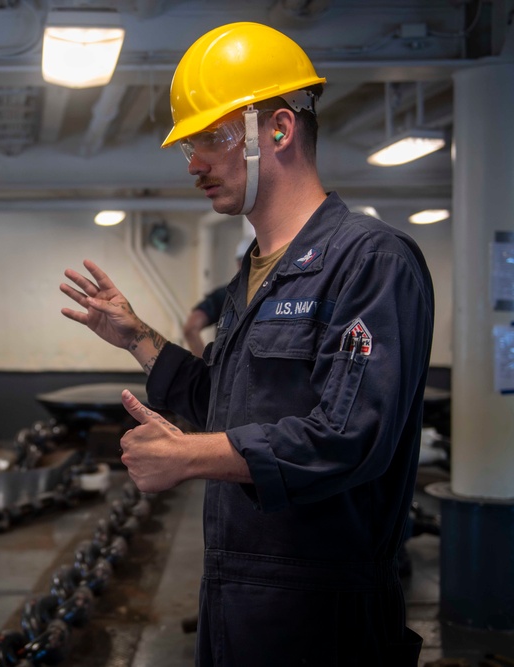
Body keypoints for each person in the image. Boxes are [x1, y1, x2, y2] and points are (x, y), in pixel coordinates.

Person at [60, 22, 433, 667]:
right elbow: (223, 407)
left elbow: (351, 440)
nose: (194, 163)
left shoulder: (370, 262)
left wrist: (190, 457)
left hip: (324, 613)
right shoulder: (253, 273)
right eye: (189, 146)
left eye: (210, 138)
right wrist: (139, 338)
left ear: (279, 130)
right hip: (237, 595)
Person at [182, 238, 251, 358]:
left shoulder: (225, 295)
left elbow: (191, 328)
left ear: (239, 263)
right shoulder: (277, 291)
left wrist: (207, 371)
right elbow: (190, 328)